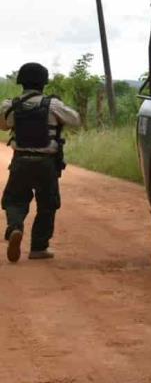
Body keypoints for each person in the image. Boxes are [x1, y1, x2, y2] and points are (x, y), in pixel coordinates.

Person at [0, 63, 81, 262]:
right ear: (44, 83)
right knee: (47, 204)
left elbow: (3, 126)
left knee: (14, 200)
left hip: (20, 161)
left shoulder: (11, 105)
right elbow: (76, 120)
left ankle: (16, 227)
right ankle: (38, 248)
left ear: (21, 82)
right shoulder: (52, 105)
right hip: (47, 164)